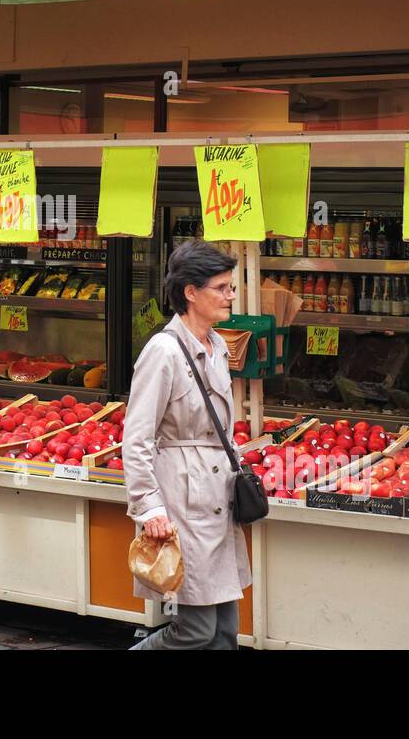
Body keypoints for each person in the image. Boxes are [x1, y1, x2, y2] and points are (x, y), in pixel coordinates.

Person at [123, 240, 252, 649]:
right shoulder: (163, 351)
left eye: (231, 287)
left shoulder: (216, 347)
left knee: (225, 631)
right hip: (182, 503)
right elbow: (137, 437)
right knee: (195, 630)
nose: (230, 295)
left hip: (219, 501)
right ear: (190, 292)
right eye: (222, 287)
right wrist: (149, 507)